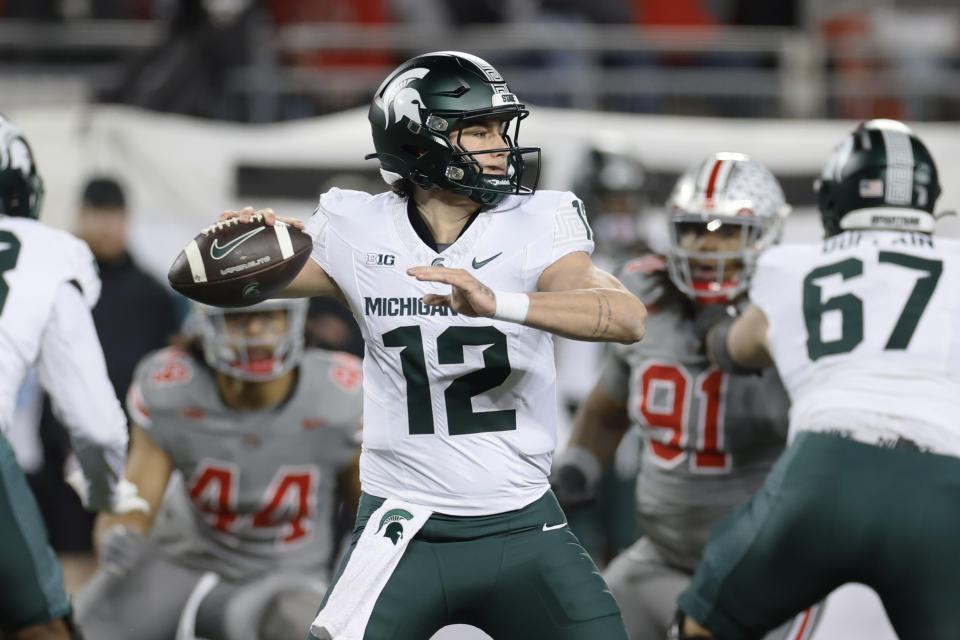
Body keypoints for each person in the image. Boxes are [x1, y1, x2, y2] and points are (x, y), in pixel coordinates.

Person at [211, 51, 647, 640]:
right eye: (478, 130)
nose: (500, 145)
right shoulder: (356, 228)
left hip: (523, 522)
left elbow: (626, 316)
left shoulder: (537, 222)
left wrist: (501, 303)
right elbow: (222, 280)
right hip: (403, 524)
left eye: (500, 128)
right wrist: (238, 248)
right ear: (420, 142)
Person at [673, 119, 960, 639]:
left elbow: (730, 350)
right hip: (941, 484)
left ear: (834, 198)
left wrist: (710, 320)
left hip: (825, 472)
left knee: (701, 625)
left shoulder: (792, 265)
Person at [554, 152, 809, 640]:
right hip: (661, 555)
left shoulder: (791, 309)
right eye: (694, 228)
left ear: (767, 236)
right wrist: (577, 469)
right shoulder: (647, 294)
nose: (706, 245)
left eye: (726, 230)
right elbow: (608, 413)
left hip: (766, 570)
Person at [73, 298, 363, 640]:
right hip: (180, 565)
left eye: (269, 316)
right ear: (207, 320)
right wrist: (116, 536)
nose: (256, 332)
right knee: (75, 629)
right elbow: (134, 505)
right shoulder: (172, 386)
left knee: (298, 624)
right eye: (240, 317)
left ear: (295, 318)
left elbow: (372, 518)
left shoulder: (343, 394)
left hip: (285, 575)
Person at [0, 115, 145, 639]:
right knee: (44, 624)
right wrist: (107, 489)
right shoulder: (48, 253)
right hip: (62, 458)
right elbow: (97, 425)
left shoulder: (145, 290)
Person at [28, 175, 181, 557]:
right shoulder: (56, 284)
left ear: (127, 219)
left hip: (137, 449)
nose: (105, 225)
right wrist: (63, 443)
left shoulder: (153, 294)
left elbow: (168, 373)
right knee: (67, 554)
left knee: (124, 553)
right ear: (80, 216)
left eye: (113, 215)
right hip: (61, 445)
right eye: (96, 214)